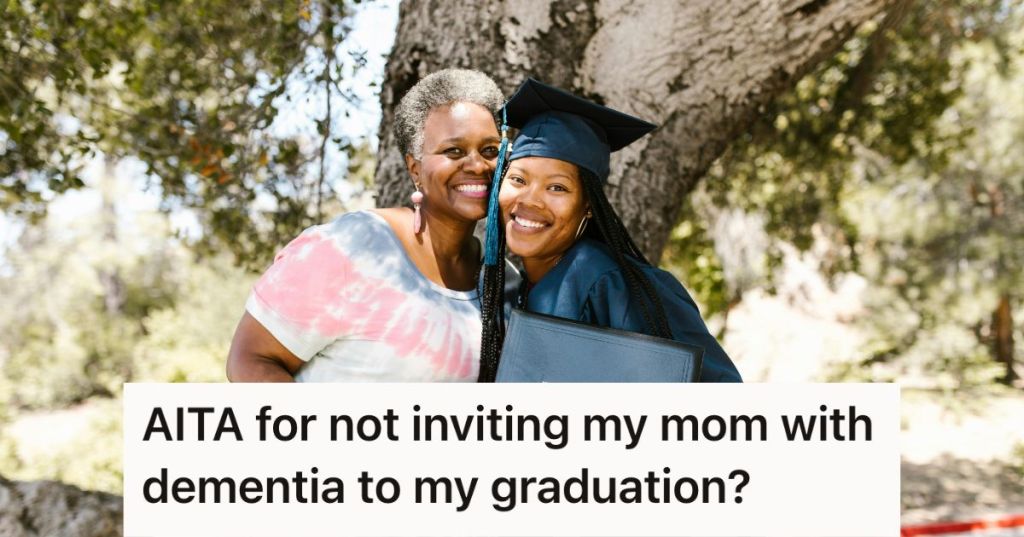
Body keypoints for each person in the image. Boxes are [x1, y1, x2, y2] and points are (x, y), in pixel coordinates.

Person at [227, 68, 504, 382]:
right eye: (453, 151)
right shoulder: (352, 246)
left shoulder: (497, 277)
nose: (478, 165)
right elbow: (250, 359)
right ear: (415, 168)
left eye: (490, 150)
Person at [478, 78, 741, 383]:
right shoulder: (511, 288)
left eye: (557, 187)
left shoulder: (608, 281)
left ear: (589, 205)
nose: (530, 200)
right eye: (518, 180)